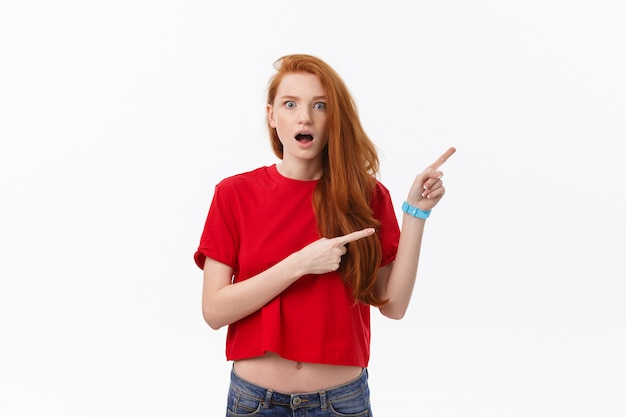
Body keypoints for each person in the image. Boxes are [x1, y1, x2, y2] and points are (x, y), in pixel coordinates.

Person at [194, 53, 455, 416]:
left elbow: (393, 306)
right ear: (272, 116)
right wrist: (299, 264)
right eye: (290, 104)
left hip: (340, 403)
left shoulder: (366, 196)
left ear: (334, 118)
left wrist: (415, 216)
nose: (305, 117)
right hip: (255, 402)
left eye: (320, 105)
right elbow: (214, 310)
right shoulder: (234, 194)